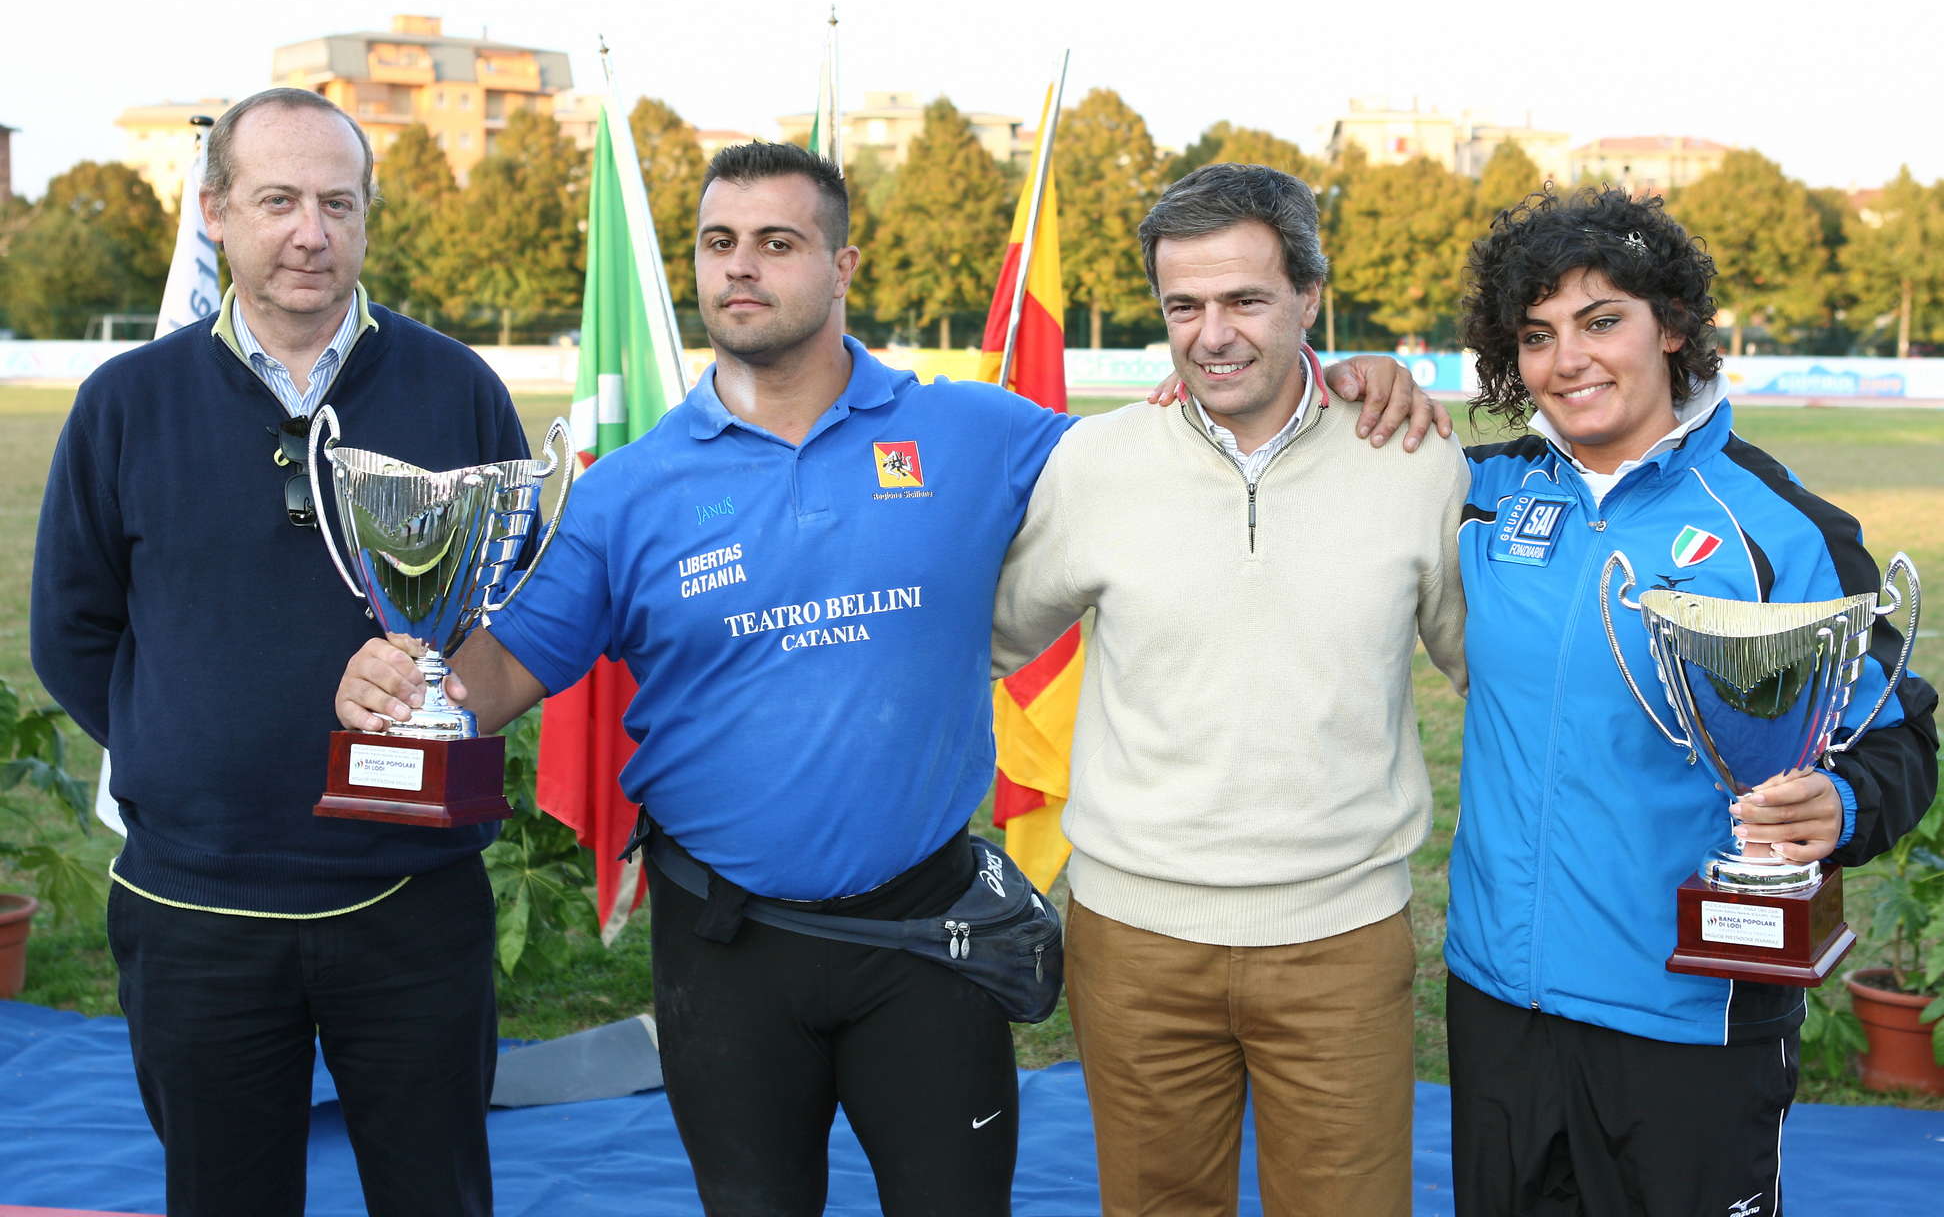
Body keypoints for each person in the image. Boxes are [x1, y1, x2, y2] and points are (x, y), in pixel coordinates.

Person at [334, 142, 1445, 1215]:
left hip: (928, 935)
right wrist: (406, 684)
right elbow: (504, 670)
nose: (741, 267)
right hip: (723, 944)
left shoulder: (974, 430)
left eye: (777, 242)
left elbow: (1182, 446)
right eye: (719, 242)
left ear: (842, 266)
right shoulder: (627, 489)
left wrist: (1348, 378)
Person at [31, 88, 525, 1217]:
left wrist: (436, 698)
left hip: (411, 897)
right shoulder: (124, 402)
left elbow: (513, 605)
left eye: (338, 204)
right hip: (197, 907)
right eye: (278, 201)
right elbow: (71, 628)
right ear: (215, 212)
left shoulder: (457, 389)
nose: (312, 232)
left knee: (437, 1196)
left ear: (367, 217)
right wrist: (184, 745)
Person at [1446, 186, 1939, 1216]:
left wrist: (1839, 805)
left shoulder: (1780, 526)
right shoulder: (1477, 495)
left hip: (1692, 1017)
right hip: (1499, 1001)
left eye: (1600, 321)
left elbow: (1897, 742)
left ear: (1671, 325)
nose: (1568, 360)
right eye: (1536, 335)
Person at [988, 162, 1468, 1217]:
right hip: (1135, 937)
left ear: (1309, 297)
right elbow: (980, 643)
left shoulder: (1416, 459)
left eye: (1246, 300)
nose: (1213, 335)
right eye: (1184, 306)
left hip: (1342, 939)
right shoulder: (1097, 461)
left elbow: (1491, 673)